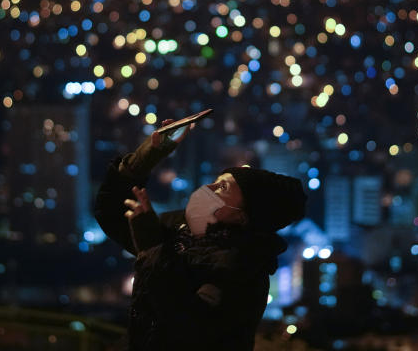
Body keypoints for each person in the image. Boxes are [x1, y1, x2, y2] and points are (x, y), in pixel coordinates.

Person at [94, 118, 307, 351]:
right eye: (216, 181)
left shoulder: (244, 269)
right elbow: (112, 214)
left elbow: (186, 329)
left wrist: (152, 249)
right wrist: (146, 157)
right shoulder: (181, 229)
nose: (209, 188)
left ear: (242, 216)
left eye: (223, 188)